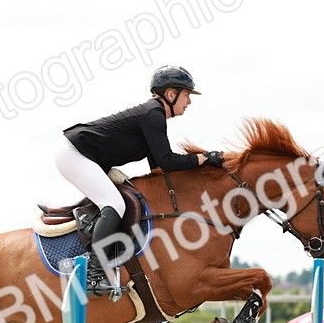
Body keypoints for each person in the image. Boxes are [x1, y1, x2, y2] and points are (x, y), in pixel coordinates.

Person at [56, 65, 224, 296]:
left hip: (83, 156)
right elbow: (167, 161)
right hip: (74, 154)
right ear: (171, 94)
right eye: (186, 94)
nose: (189, 101)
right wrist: (203, 158)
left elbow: (158, 169)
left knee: (123, 199)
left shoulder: (154, 117)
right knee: (115, 204)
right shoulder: (153, 115)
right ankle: (94, 276)